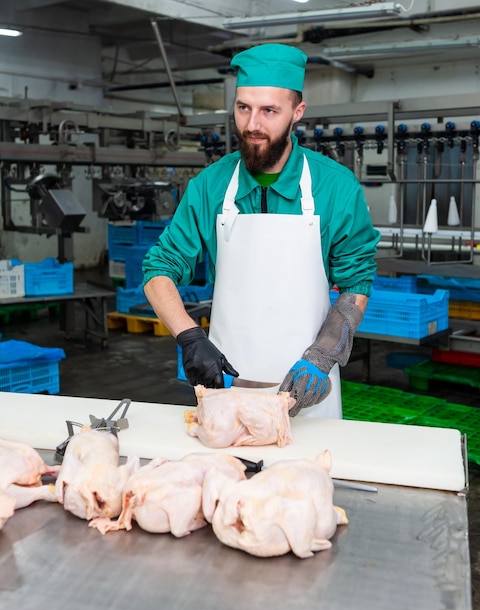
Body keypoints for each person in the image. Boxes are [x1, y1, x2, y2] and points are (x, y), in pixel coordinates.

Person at [142, 43, 380, 418]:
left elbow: (355, 285)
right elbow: (158, 270)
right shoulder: (210, 186)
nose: (253, 125)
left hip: (308, 390)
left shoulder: (335, 187)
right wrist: (189, 337)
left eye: (269, 111)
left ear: (297, 112)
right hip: (224, 386)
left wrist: (322, 356)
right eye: (243, 108)